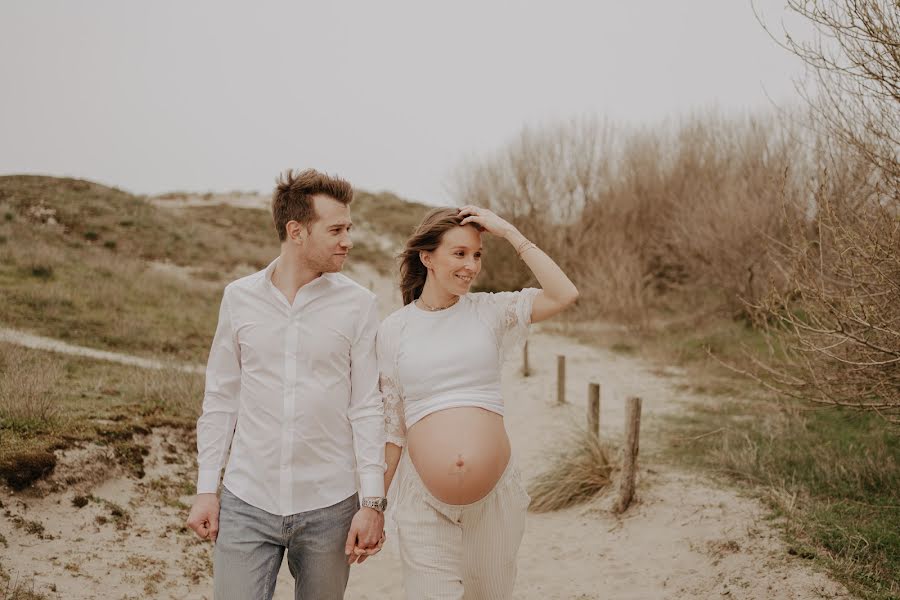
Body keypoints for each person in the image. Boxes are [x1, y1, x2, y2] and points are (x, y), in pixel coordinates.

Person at [186, 168, 387, 600]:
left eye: (348, 228)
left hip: (330, 505)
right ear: (296, 231)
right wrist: (206, 489)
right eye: (335, 229)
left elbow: (368, 406)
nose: (347, 240)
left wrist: (372, 504)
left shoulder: (359, 305)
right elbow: (221, 399)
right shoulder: (238, 298)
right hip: (246, 499)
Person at [377, 205, 578, 599]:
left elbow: (564, 293)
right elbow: (391, 426)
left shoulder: (490, 311)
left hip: (495, 501)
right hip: (423, 503)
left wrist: (510, 233)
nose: (471, 265)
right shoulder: (394, 330)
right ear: (427, 257)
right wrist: (373, 505)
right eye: (459, 253)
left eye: (477, 254)